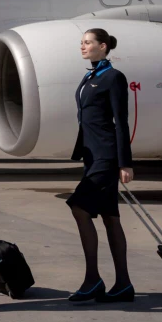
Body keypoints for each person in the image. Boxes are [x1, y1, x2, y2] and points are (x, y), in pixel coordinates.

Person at [67, 27, 135, 304]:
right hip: (92, 156)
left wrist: (125, 163)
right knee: (110, 217)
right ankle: (123, 285)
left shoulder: (113, 78)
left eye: (88, 43)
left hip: (106, 157)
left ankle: (93, 279)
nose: (83, 46)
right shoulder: (90, 76)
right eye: (81, 43)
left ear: (103, 46)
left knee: (78, 206)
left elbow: (121, 121)